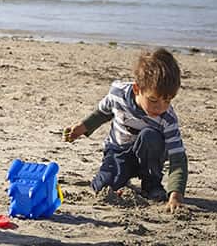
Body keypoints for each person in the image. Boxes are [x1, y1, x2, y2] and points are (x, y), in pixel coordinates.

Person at [63, 48, 187, 213]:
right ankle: (121, 177)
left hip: (150, 157)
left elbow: (177, 157)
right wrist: (81, 127)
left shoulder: (168, 118)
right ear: (137, 89)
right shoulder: (118, 94)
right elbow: (102, 113)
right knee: (102, 187)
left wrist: (176, 195)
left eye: (167, 100)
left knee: (149, 135)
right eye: (153, 100)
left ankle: (151, 184)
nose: (160, 107)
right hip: (118, 151)